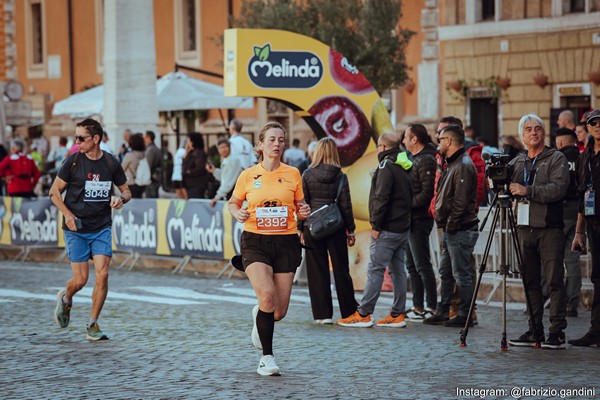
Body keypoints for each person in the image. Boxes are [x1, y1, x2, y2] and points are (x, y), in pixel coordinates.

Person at [228, 121, 311, 376]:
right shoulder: (248, 175)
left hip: (285, 242)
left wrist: (304, 211)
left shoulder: (294, 173)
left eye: (281, 140)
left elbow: (300, 205)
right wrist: (238, 212)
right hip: (255, 241)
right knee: (267, 295)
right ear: (260, 145)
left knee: (278, 311)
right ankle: (267, 358)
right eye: (272, 140)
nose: (277, 144)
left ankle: (259, 315)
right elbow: (233, 202)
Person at [49, 118, 131, 341]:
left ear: (96, 139)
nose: (77, 142)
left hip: (101, 226)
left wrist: (120, 199)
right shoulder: (72, 162)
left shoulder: (111, 163)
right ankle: (66, 297)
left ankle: (93, 325)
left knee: (103, 274)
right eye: (76, 137)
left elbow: (127, 191)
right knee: (81, 280)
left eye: (81, 138)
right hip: (76, 228)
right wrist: (68, 214)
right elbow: (54, 193)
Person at [507, 113, 570, 349]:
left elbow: (558, 189)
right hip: (523, 228)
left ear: (544, 133)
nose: (534, 133)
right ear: (522, 135)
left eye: (538, 129)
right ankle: (535, 330)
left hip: (549, 228)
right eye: (528, 129)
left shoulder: (556, 158)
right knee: (529, 281)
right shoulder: (517, 161)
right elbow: (501, 187)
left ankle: (557, 332)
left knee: (554, 281)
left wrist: (527, 191)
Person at [338, 132, 413, 328]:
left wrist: (376, 226)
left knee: (375, 269)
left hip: (387, 228)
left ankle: (364, 313)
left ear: (383, 147)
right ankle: (397, 313)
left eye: (379, 146)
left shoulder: (386, 166)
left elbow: (381, 198)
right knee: (398, 271)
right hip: (402, 227)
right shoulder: (404, 164)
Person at [423, 124, 479, 328]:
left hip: (459, 229)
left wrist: (451, 225)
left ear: (448, 141)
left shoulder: (463, 164)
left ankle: (465, 313)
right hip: (450, 227)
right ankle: (443, 310)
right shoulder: (453, 163)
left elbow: (461, 202)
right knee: (446, 272)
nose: (438, 144)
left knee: (461, 273)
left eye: (440, 140)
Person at [299, 137, 357, 324]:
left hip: (312, 226)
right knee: (341, 269)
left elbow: (303, 203)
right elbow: (346, 205)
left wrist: (300, 228)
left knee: (317, 270)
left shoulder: (307, 174)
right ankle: (348, 312)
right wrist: (351, 229)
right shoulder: (341, 176)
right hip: (336, 226)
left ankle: (322, 315)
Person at [570, 108, 600, 346]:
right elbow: (583, 196)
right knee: (597, 277)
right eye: (593, 123)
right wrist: (579, 232)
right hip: (593, 223)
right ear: (588, 128)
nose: (598, 126)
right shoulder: (584, 157)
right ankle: (596, 330)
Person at [402, 124, 438, 321]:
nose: (403, 141)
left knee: (422, 264)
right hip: (410, 218)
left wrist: (407, 205)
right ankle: (417, 306)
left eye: (406, 137)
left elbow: (426, 193)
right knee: (412, 265)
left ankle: (432, 306)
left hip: (420, 218)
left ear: (415, 139)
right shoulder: (413, 158)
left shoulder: (426, 160)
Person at [555, 128, 583, 317]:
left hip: (560, 211)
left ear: (560, 143)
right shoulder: (583, 159)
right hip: (578, 212)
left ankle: (554, 300)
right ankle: (572, 303)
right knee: (572, 260)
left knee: (552, 259)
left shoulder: (558, 160)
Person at [206, 138, 243, 207]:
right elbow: (223, 177)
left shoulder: (233, 160)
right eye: (220, 147)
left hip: (234, 196)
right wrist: (214, 171)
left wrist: (217, 197)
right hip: (229, 195)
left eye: (225, 147)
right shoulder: (225, 159)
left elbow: (228, 182)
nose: (223, 149)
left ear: (229, 148)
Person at [182, 132, 210, 199]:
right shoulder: (190, 153)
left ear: (193, 142)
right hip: (189, 185)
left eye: (189, 140)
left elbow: (200, 168)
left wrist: (188, 172)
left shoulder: (199, 153)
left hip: (196, 184)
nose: (187, 143)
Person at [121, 133, 147, 199]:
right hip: (142, 183)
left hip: (131, 182)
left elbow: (121, 169)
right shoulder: (144, 155)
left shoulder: (129, 155)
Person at [144, 130, 162, 198]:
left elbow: (148, 166)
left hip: (152, 179)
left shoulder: (151, 150)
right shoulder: (153, 148)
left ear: (149, 138)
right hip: (154, 178)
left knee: (151, 198)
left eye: (145, 137)